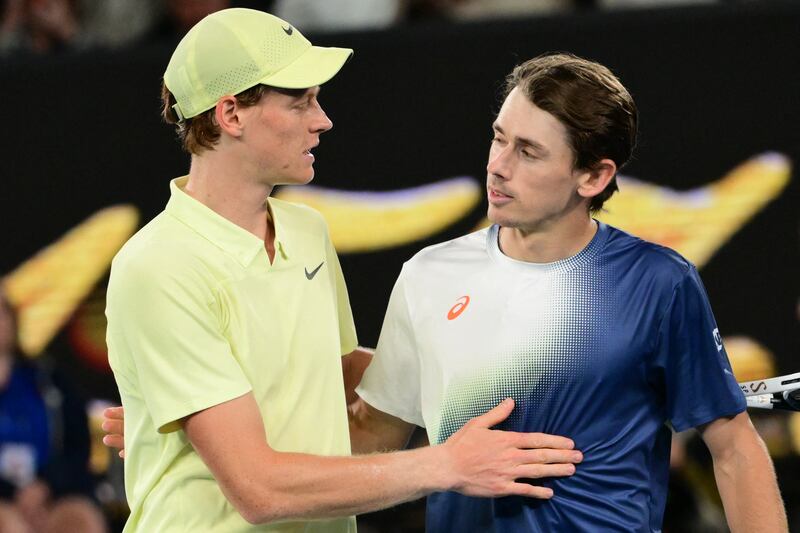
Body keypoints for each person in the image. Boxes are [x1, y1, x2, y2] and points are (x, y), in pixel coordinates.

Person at [103, 8, 581, 533]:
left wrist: (482, 378)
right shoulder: (157, 266)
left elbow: (340, 384)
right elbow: (258, 490)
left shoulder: (306, 231)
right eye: (299, 101)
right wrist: (446, 464)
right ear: (231, 114)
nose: (322, 119)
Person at [349, 53, 788, 531]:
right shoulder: (428, 275)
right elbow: (373, 438)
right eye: (499, 138)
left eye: (528, 151)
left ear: (594, 177)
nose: (498, 165)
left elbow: (735, 450)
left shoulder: (661, 282)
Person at [0, 292, 107, 533]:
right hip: (5, 496)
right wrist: (11, 494)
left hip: (52, 490)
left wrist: (46, 485)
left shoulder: (48, 380)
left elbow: (77, 446)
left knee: (80, 521)